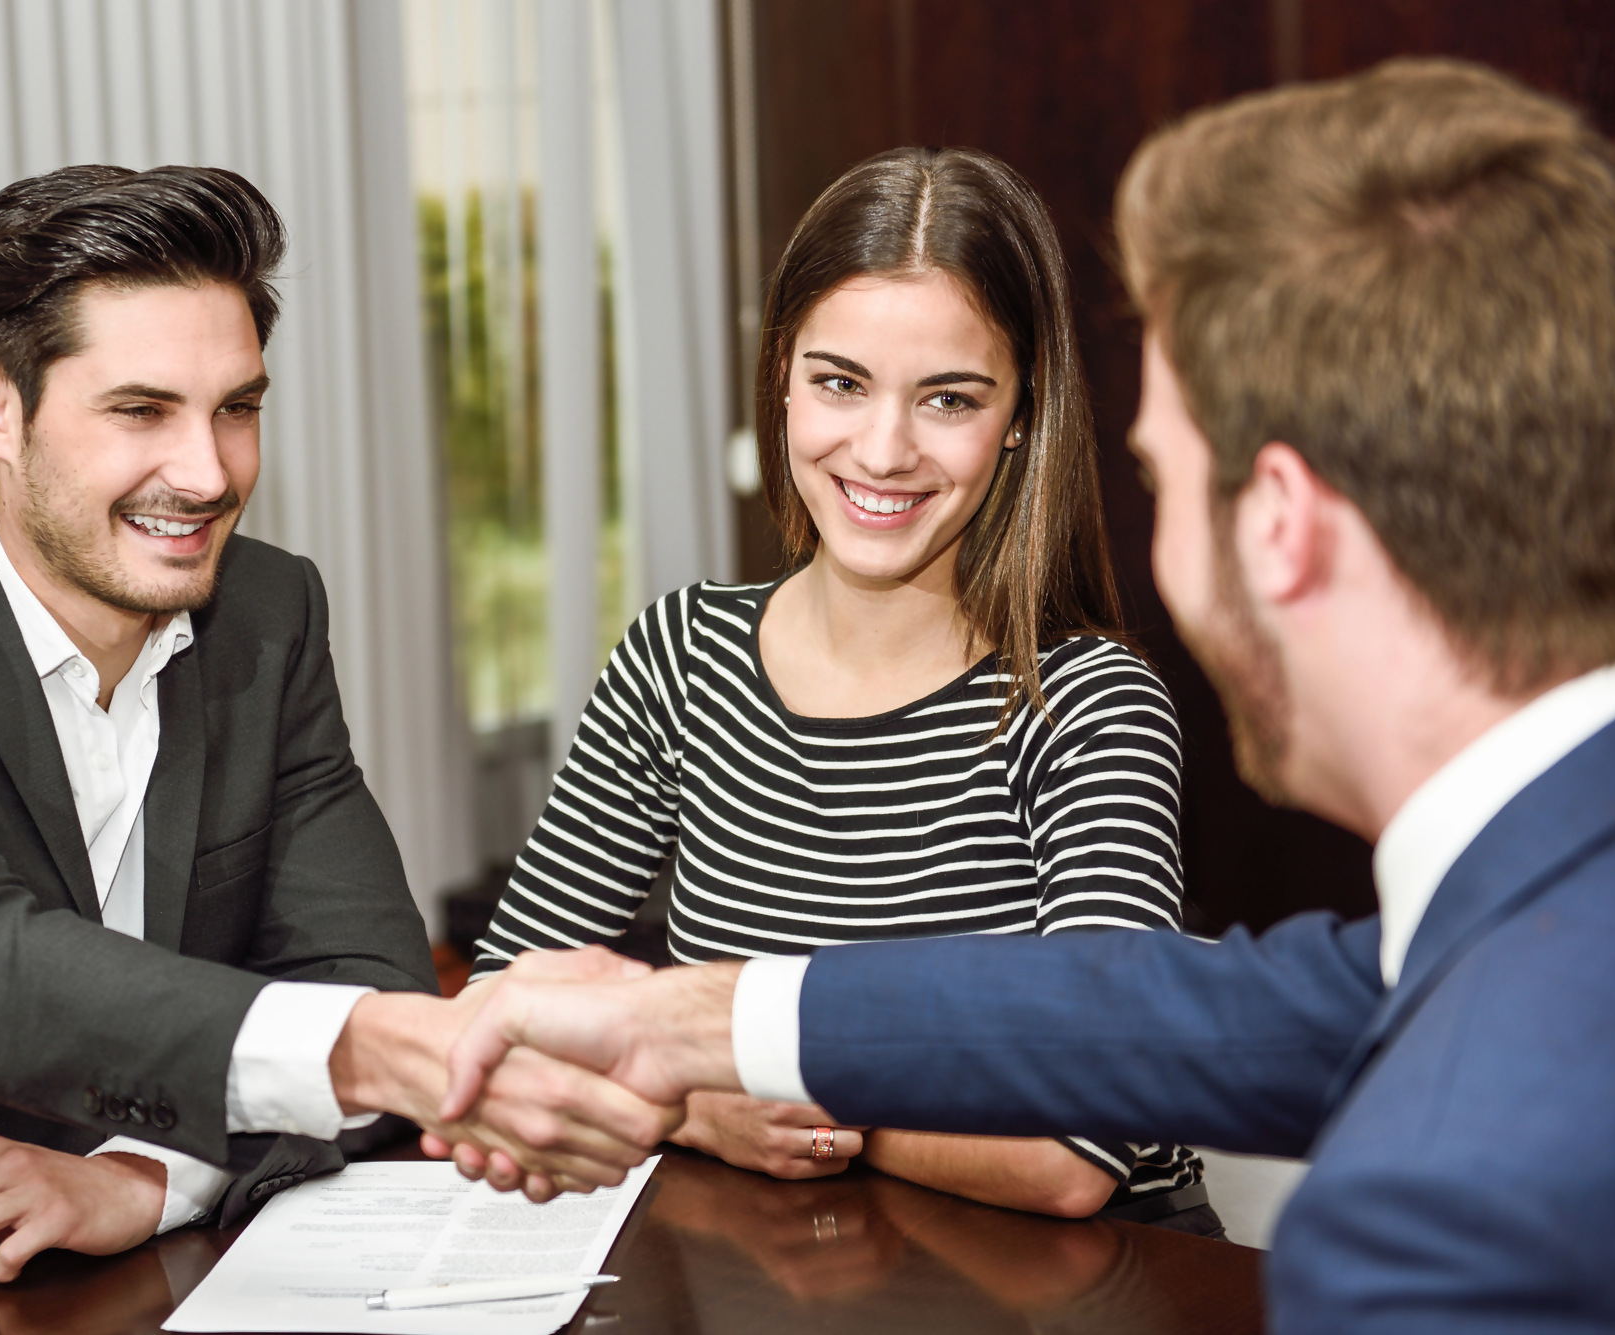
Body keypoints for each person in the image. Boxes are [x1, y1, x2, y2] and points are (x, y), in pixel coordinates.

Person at [442, 58, 1615, 1333]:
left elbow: (1106, 1116)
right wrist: (710, 1040)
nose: (884, 445)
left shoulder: (1438, 1221)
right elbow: (1214, 1014)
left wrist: (720, 1070)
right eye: (839, 381)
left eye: (1157, 476)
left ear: (1275, 524)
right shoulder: (1511, 915)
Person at [0, 166, 671, 1335]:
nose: (209, 473)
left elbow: (357, 975)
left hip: (149, 1287)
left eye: (237, 407)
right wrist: (383, 1047)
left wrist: (147, 1174)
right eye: (141, 412)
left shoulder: (267, 617)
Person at [466, 146, 1213, 1231]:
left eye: (946, 398)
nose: (881, 449)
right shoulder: (677, 658)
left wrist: (798, 1090)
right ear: (779, 374)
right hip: (780, 1279)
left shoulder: (1089, 708)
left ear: (1018, 413)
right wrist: (698, 1109)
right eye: (839, 383)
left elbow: (1073, 1151)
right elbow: (500, 1010)